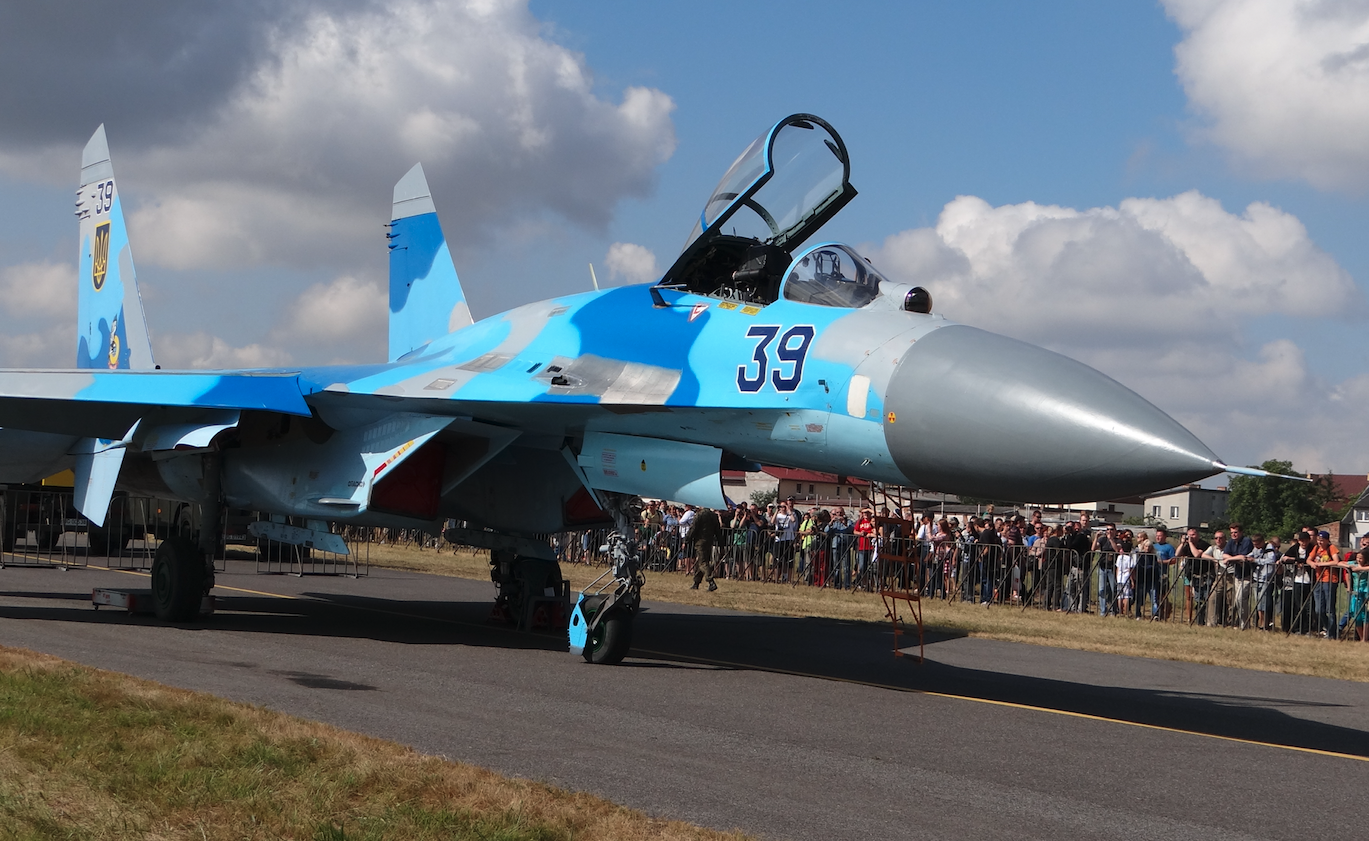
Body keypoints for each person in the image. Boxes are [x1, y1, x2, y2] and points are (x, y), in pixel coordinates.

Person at [1307, 530, 1342, 639]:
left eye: (1322, 540)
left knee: (1330, 609)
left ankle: (1332, 633)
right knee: (1318, 609)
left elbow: (1336, 561)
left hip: (1330, 580)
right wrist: (1312, 563)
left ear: (1327, 540)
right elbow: (1308, 559)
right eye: (1318, 540)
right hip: (1319, 580)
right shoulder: (1316, 548)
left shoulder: (1331, 548)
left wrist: (1322, 564)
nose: (1320, 542)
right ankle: (1329, 628)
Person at [1281, 532, 1315, 634]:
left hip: (1309, 580)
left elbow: (1310, 560)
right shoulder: (1295, 548)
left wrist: (1299, 561)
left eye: (1306, 540)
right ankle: (1297, 628)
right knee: (1298, 605)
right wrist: (1296, 561)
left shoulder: (1312, 548)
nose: (1304, 543)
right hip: (1297, 580)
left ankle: (1307, 628)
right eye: (1301, 541)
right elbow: (1285, 558)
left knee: (1308, 606)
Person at [1338, 535, 1369, 641]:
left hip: (1365, 591)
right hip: (1355, 591)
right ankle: (1362, 638)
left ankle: (1365, 637)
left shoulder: (1364, 566)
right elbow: (1339, 562)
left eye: (1361, 559)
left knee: (1365, 615)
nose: (1359, 560)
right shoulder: (1354, 563)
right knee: (1355, 614)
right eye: (1358, 558)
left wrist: (1361, 568)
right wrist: (1348, 566)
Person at [689, 506, 723, 591]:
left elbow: (693, 528)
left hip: (700, 541)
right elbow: (718, 531)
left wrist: (686, 540)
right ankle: (696, 582)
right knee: (701, 562)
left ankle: (711, 581)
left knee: (703, 563)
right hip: (709, 541)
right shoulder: (713, 516)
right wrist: (721, 544)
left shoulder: (699, 515)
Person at [1093, 524, 1121, 617]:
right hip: (1102, 567)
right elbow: (1093, 548)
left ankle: (1113, 609)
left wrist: (1111, 539)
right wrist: (1096, 538)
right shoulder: (1102, 539)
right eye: (1107, 529)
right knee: (1102, 589)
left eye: (1111, 529)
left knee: (1113, 589)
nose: (1109, 531)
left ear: (1115, 530)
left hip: (1113, 568)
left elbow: (1117, 549)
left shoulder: (1117, 540)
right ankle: (1103, 610)